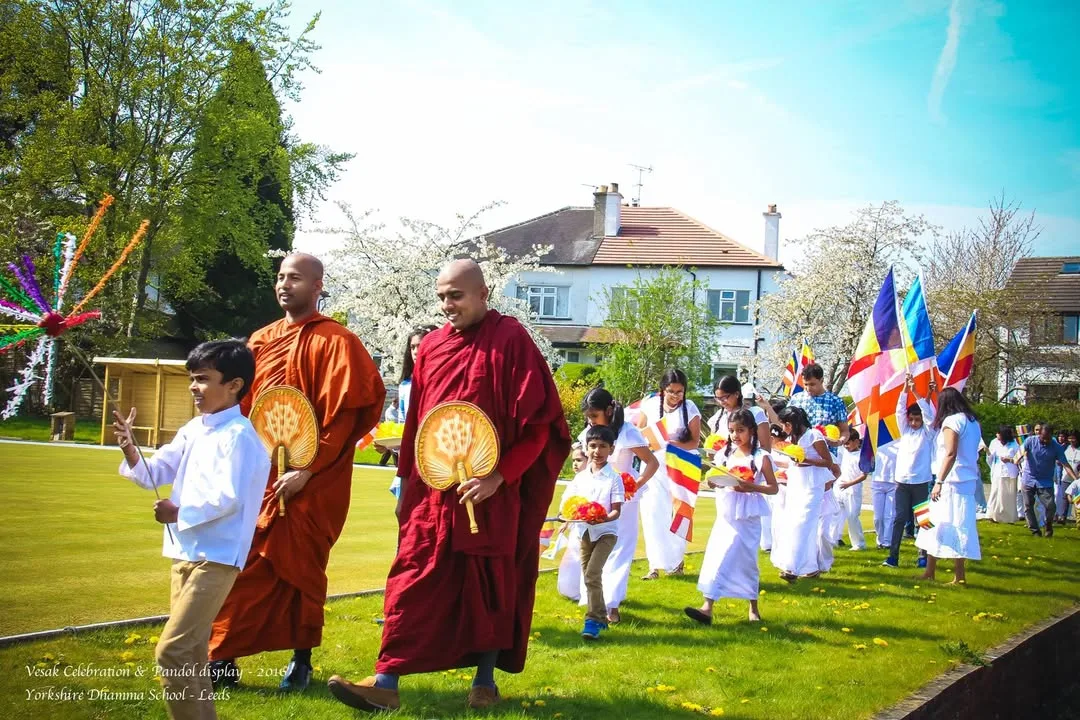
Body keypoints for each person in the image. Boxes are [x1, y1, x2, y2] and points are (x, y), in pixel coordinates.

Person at [327, 259, 570, 713]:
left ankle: (484, 682)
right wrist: (406, 485)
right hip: (434, 495)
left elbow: (539, 427)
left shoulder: (510, 340)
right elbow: (418, 421)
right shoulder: (434, 347)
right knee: (411, 580)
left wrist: (499, 477)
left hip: (491, 494)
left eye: (455, 296)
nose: (446, 305)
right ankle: (386, 681)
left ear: (484, 294)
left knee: (491, 585)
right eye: (441, 296)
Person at [209, 253, 385, 691]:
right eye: (281, 277)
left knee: (303, 566)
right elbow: (242, 409)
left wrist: (308, 470)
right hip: (262, 474)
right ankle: (223, 657)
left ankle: (301, 661)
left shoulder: (336, 341)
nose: (285, 285)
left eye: (296, 278)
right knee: (242, 562)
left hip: (316, 479)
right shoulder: (261, 340)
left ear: (318, 285)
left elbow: (344, 416)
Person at [113, 340, 271, 720]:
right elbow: (158, 471)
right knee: (193, 652)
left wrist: (177, 511)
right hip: (184, 551)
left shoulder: (240, 436)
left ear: (233, 385)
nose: (194, 387)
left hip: (217, 556)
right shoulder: (193, 430)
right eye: (192, 379)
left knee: (173, 651)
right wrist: (131, 449)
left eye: (203, 379)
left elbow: (227, 498)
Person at [573, 387, 659, 624]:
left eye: (594, 415)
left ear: (609, 411)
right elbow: (583, 465)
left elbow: (651, 463)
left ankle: (612, 603)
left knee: (620, 548)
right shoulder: (588, 433)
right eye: (588, 417)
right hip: (595, 494)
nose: (590, 421)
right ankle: (594, 601)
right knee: (591, 545)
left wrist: (635, 484)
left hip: (624, 498)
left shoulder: (628, 433)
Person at [686, 408, 778, 624]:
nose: (736, 435)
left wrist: (751, 487)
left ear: (752, 431)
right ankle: (707, 606)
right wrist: (713, 481)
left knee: (746, 559)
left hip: (748, 514)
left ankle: (752, 606)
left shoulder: (761, 457)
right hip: (727, 512)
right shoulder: (723, 454)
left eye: (741, 430)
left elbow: (773, 488)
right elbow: (715, 476)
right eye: (732, 431)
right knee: (719, 554)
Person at [635, 368, 702, 580]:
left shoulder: (690, 408)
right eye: (671, 391)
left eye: (680, 391)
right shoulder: (651, 404)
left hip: (681, 466)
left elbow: (694, 441)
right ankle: (654, 565)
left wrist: (673, 444)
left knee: (680, 512)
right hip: (654, 465)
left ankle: (676, 562)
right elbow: (639, 433)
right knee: (653, 513)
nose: (675, 396)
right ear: (663, 389)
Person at [559, 425, 624, 640]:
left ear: (611, 449)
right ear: (586, 448)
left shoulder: (614, 478)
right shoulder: (580, 478)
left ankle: (592, 620)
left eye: (602, 446)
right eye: (593, 446)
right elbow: (571, 505)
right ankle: (602, 618)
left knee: (592, 574)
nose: (597, 451)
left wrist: (603, 517)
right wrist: (569, 517)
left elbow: (616, 510)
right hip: (584, 532)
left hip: (606, 533)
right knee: (589, 577)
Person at [917, 389, 983, 584]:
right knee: (956, 526)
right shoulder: (973, 422)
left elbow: (950, 453)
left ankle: (955, 576)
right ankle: (935, 572)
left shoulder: (951, 422)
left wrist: (939, 481)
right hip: (966, 481)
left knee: (941, 525)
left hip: (951, 482)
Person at [771, 406, 839, 582]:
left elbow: (827, 462)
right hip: (796, 483)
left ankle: (791, 568)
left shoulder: (814, 436)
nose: (782, 429)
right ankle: (810, 568)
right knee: (794, 525)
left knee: (803, 525)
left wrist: (804, 460)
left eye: (784, 425)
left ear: (791, 423)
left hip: (812, 485)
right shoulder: (793, 438)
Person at [884, 378, 937, 569]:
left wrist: (917, 392)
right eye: (911, 419)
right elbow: (899, 409)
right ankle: (893, 556)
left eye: (917, 420)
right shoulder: (905, 430)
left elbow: (929, 416)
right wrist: (905, 389)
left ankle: (923, 555)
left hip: (921, 483)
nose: (914, 423)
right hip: (902, 482)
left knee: (922, 519)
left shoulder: (928, 433)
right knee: (899, 518)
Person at [384, 325, 438, 496]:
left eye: (420, 345)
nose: (416, 351)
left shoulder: (442, 382)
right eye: (412, 346)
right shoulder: (405, 385)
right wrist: (389, 444)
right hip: (410, 460)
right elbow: (403, 424)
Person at [1014, 423, 1079, 537]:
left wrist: (1076, 479)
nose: (1044, 441)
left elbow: (1065, 464)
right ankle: (1035, 530)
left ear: (1051, 436)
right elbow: (1019, 454)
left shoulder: (1056, 447)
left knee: (1050, 506)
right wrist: (1017, 460)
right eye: (1042, 438)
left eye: (1047, 439)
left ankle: (1048, 525)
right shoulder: (1030, 441)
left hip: (1045, 481)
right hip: (1028, 478)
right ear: (1039, 434)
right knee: (1028, 506)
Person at [787, 363, 849, 450]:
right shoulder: (796, 399)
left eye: (812, 384)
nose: (808, 388)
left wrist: (839, 441)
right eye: (805, 384)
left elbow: (845, 431)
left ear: (821, 380)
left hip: (827, 455)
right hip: (801, 454)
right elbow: (784, 425)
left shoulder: (835, 401)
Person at [707, 375, 772, 451]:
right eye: (718, 398)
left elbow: (766, 447)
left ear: (736, 394)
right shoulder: (719, 416)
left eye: (725, 397)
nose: (722, 402)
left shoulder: (755, 413)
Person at [557, 444, 588, 601]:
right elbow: (568, 503)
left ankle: (584, 592)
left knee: (584, 559)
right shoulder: (576, 480)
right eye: (573, 460)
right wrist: (565, 521)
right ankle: (570, 590)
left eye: (579, 460)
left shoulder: (591, 481)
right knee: (572, 557)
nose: (575, 464)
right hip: (575, 525)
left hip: (588, 526)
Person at [835, 429, 868, 551]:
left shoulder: (861, 456)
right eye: (845, 444)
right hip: (839, 488)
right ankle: (834, 539)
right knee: (836, 514)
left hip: (853, 490)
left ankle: (859, 543)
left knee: (852, 516)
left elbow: (864, 475)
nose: (846, 446)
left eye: (848, 443)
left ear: (856, 442)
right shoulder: (843, 451)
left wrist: (849, 484)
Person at [985, 426, 1021, 523]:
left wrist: (1008, 459)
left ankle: (1008, 517)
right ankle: (992, 515)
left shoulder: (1014, 444)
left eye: (999, 433)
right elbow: (990, 458)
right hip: (997, 471)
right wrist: (988, 453)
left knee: (1008, 495)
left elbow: (1019, 458)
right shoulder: (994, 442)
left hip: (1010, 472)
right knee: (995, 494)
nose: (997, 435)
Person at [870, 443, 898, 550]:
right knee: (878, 517)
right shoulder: (876, 440)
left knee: (890, 515)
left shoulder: (900, 441)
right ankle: (880, 540)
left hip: (893, 481)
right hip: (877, 481)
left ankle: (887, 542)